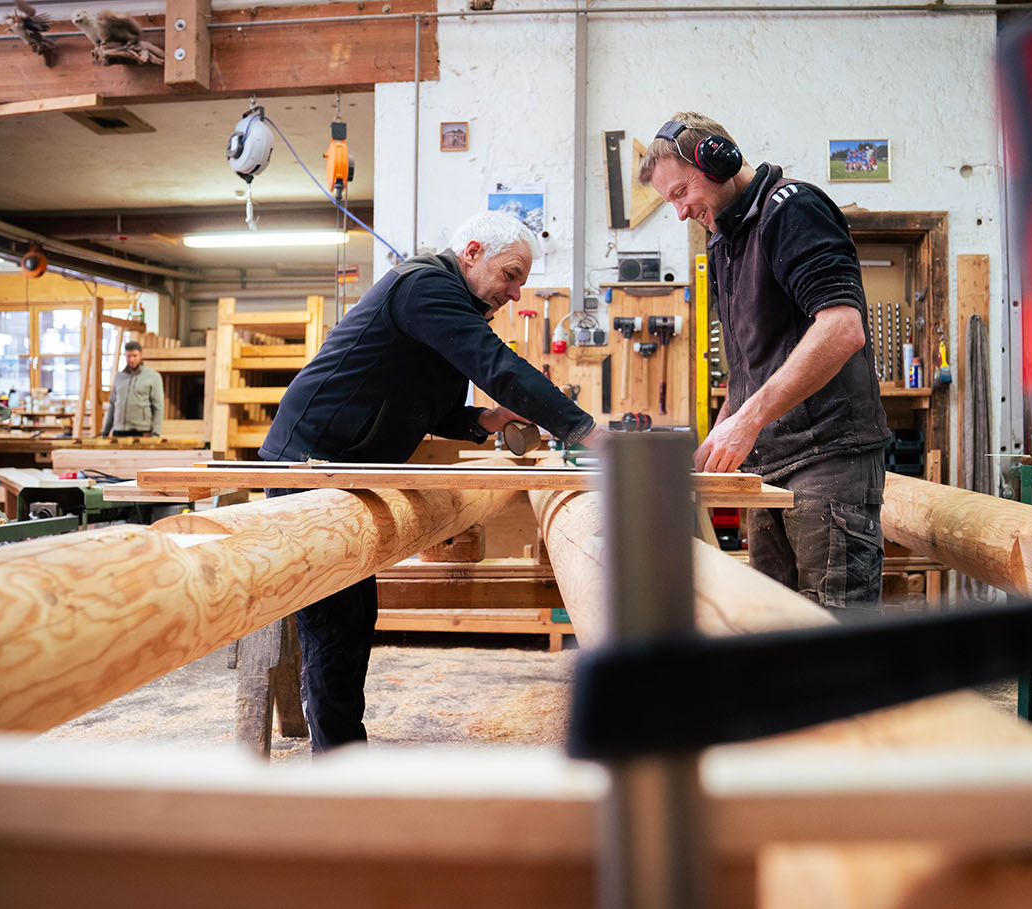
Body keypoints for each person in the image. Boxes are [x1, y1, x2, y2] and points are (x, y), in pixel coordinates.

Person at [259, 210, 609, 750]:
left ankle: (341, 750)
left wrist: (480, 421)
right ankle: (338, 767)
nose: (516, 293)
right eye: (511, 275)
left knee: (350, 619)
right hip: (307, 464)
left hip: (345, 468)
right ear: (471, 252)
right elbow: (501, 370)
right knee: (336, 624)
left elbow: (422, 405)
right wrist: (590, 433)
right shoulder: (424, 286)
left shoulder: (453, 305)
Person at [638, 112, 890, 617]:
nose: (682, 212)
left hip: (826, 462)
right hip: (769, 469)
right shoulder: (727, 239)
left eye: (682, 192)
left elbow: (842, 328)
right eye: (671, 202)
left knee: (830, 637)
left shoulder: (792, 210)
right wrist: (723, 428)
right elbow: (752, 363)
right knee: (775, 631)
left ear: (718, 160)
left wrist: (748, 421)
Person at [101, 340, 163, 437]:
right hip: (119, 430)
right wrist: (104, 432)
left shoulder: (153, 377)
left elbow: (158, 407)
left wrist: (156, 432)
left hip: (141, 431)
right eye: (128, 356)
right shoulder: (119, 377)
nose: (131, 359)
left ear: (141, 355)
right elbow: (112, 406)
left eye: (135, 356)